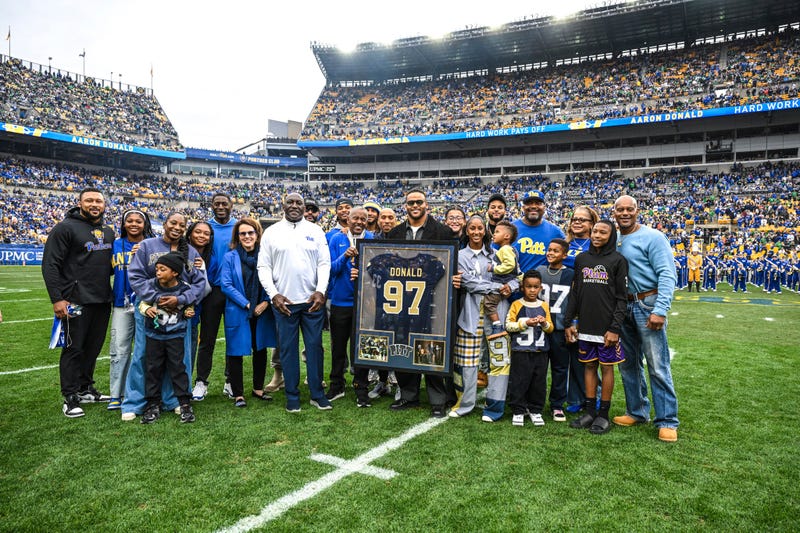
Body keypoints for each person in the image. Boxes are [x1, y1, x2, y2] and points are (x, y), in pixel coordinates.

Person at [122, 211, 207, 421]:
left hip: (179, 312)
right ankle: (136, 401)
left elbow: (199, 283)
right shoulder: (146, 246)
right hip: (150, 308)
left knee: (178, 358)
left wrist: (180, 300)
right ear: (165, 223)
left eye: (181, 225)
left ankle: (174, 400)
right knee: (142, 354)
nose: (177, 228)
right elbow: (135, 277)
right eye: (173, 223)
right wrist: (157, 298)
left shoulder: (191, 252)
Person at [42, 187, 115, 418]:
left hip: (102, 298)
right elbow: (50, 265)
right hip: (74, 299)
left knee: (93, 347)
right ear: (80, 203)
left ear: (104, 205)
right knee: (73, 348)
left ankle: (85, 388)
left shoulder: (108, 231)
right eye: (89, 200)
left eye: (99, 201)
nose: (94, 205)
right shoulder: (65, 228)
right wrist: (57, 299)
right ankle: (70, 396)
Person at [612, 195, 680, 443]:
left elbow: (667, 273)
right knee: (628, 364)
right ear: (614, 212)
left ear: (637, 211)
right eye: (620, 209)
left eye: (629, 209)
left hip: (647, 302)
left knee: (657, 365)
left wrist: (660, 309)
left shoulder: (653, 237)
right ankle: (637, 411)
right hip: (623, 305)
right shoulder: (613, 238)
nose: (625, 213)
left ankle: (667, 420)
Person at [257, 192, 332, 413]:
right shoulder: (272, 232)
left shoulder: (315, 231)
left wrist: (320, 290)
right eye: (290, 202)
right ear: (283, 205)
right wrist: (273, 294)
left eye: (299, 202)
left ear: (304, 207)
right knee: (288, 350)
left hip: (312, 302)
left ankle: (317, 394)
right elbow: (264, 267)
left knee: (314, 347)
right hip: (284, 303)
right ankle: (292, 395)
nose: (294, 205)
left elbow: (324, 263)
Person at [386, 188, 455, 418]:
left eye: (419, 202)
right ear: (405, 206)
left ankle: (438, 399)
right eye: (411, 202)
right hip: (403, 301)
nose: (415, 206)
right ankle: (408, 395)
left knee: (432, 345)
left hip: (433, 299)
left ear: (427, 205)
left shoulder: (443, 231)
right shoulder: (394, 233)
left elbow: (450, 264)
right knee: (404, 344)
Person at [564, 220, 628, 435]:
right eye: (595, 231)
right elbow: (575, 292)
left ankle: (603, 415)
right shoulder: (582, 259)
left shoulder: (618, 260)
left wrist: (615, 328)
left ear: (611, 236)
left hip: (607, 327)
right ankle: (590, 412)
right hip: (585, 325)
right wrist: (568, 321)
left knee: (606, 367)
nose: (597, 235)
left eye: (603, 232)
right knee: (589, 366)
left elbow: (621, 298)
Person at [449, 215, 513, 418]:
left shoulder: (498, 253)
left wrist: (511, 287)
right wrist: (497, 287)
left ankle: (494, 408)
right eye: (472, 228)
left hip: (497, 314)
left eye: (480, 228)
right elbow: (467, 282)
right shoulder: (458, 255)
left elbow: (516, 276)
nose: (476, 232)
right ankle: (464, 404)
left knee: (498, 360)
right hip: (470, 314)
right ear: (467, 231)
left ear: (485, 231)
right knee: (467, 362)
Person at [220, 218, 277, 407]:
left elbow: (274, 280)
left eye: (250, 233)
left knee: (260, 348)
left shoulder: (266, 256)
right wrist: (247, 304)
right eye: (242, 233)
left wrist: (266, 302)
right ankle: (238, 394)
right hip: (239, 309)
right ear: (237, 236)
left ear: (257, 234)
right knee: (235, 351)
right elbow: (226, 284)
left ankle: (258, 389)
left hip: (262, 310)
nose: (247, 236)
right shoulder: (230, 257)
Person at [137, 252, 196, 424]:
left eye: (163, 269)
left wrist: (188, 311)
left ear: (175, 272)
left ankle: (184, 403)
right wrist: (147, 309)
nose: (158, 272)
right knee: (153, 369)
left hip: (176, 334)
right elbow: (143, 303)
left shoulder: (185, 288)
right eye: (157, 269)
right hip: (154, 335)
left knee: (178, 368)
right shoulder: (151, 285)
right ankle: (152, 404)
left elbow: (189, 305)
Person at [108, 209, 155, 410]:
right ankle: (116, 393)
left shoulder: (152, 244)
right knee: (119, 349)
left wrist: (142, 256)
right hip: (121, 303)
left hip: (147, 304)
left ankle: (141, 391)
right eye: (130, 221)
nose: (134, 224)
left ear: (145, 225)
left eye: (138, 221)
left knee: (145, 350)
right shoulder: (115, 244)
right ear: (123, 223)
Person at [326, 206, 374, 406]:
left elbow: (380, 271)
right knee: (338, 347)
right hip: (340, 301)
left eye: (363, 219)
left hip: (365, 303)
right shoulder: (337, 239)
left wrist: (364, 272)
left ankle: (361, 387)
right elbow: (330, 269)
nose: (359, 222)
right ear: (348, 219)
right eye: (356, 218)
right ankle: (337, 384)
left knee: (362, 347)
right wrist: (345, 256)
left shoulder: (372, 239)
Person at [193, 192, 237, 401]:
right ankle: (201, 381)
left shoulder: (239, 227)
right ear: (211, 205)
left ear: (231, 206)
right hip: (211, 290)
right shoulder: (205, 228)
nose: (220, 207)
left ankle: (230, 381)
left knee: (233, 337)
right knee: (207, 338)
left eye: (224, 203)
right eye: (216, 203)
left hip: (233, 290)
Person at [505, 270, 554, 427]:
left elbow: (550, 328)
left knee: (538, 382)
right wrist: (525, 323)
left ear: (540, 288)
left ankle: (535, 410)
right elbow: (508, 325)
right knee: (519, 381)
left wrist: (544, 323)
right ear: (522, 287)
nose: (532, 290)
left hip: (540, 351)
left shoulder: (544, 306)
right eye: (528, 286)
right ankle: (518, 410)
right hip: (521, 351)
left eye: (535, 287)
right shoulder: (516, 304)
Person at [564, 206, 599, 413]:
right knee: (571, 354)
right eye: (574, 219)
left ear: (592, 224)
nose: (577, 222)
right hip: (564, 303)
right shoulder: (564, 243)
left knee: (588, 354)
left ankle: (593, 397)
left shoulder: (596, 245)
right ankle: (575, 398)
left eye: (582, 220)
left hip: (587, 304)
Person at [535, 237, 573, 422]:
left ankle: (557, 405)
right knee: (537, 368)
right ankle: (535, 402)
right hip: (539, 327)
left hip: (559, 328)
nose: (550, 253)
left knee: (560, 367)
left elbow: (575, 300)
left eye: (555, 251)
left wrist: (571, 323)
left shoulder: (571, 274)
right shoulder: (540, 271)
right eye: (549, 250)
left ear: (565, 255)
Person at [368, 207, 399, 399]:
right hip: (378, 296)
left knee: (399, 339)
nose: (387, 221)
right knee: (380, 338)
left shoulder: (402, 238)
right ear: (378, 220)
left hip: (400, 298)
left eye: (390, 217)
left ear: (396, 220)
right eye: (384, 217)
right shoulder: (372, 240)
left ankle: (401, 383)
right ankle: (382, 381)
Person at [512, 190, 565, 274]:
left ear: (544, 207)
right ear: (523, 207)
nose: (533, 206)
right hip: (513, 281)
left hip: (543, 281)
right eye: (529, 203)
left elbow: (565, 255)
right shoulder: (510, 228)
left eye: (538, 203)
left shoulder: (555, 232)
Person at [484, 220, 518, 338]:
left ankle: (497, 325)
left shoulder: (505, 249)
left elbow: (510, 266)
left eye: (497, 232)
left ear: (507, 236)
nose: (494, 234)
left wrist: (494, 268)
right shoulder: (511, 249)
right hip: (506, 283)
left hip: (501, 282)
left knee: (489, 303)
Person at [185, 220, 214, 361]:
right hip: (173, 308)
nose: (202, 236)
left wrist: (203, 270)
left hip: (194, 310)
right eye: (198, 232)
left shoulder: (211, 259)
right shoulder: (178, 251)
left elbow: (206, 290)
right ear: (189, 234)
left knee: (189, 352)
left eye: (206, 233)